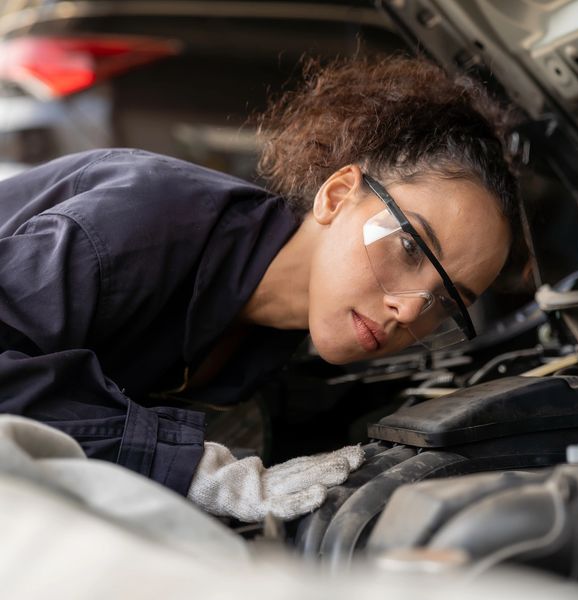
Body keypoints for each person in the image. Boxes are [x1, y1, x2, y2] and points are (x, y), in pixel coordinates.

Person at [0, 55, 519, 522]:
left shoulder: (271, 345)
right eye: (409, 247)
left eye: (447, 301)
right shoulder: (146, 221)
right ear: (337, 195)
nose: (409, 311)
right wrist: (193, 468)